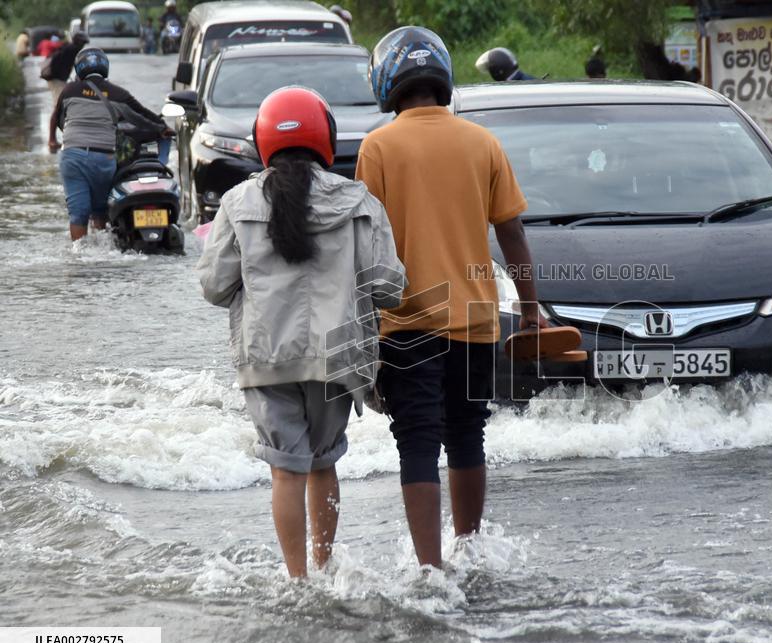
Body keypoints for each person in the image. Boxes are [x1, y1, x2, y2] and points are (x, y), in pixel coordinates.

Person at [196, 86, 405, 579]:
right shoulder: (359, 201)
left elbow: (213, 286)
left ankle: (297, 580)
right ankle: (324, 567)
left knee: (286, 469)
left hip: (267, 357)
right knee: (322, 463)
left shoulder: (237, 202)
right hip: (337, 358)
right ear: (325, 138)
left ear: (262, 140)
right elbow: (389, 287)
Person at [358, 26, 546, 569]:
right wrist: (530, 310)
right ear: (441, 76)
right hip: (475, 320)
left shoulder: (378, 147)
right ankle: (468, 549)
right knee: (466, 435)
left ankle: (429, 569)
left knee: (416, 440)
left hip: (406, 322)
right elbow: (513, 233)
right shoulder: (482, 142)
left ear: (387, 81)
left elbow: (367, 243)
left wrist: (362, 326)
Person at [48, 48, 170, 241]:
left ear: (79, 68)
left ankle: (79, 253)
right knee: (100, 210)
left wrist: (61, 139)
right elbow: (143, 116)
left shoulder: (69, 90)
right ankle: (103, 248)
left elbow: (59, 119)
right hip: (103, 158)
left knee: (78, 213)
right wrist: (163, 128)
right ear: (105, 67)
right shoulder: (118, 94)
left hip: (73, 157)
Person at [43, 31, 90, 104]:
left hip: (56, 77)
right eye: (83, 43)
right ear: (78, 42)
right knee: (59, 100)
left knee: (60, 99)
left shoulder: (68, 47)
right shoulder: (73, 49)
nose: (83, 45)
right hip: (56, 78)